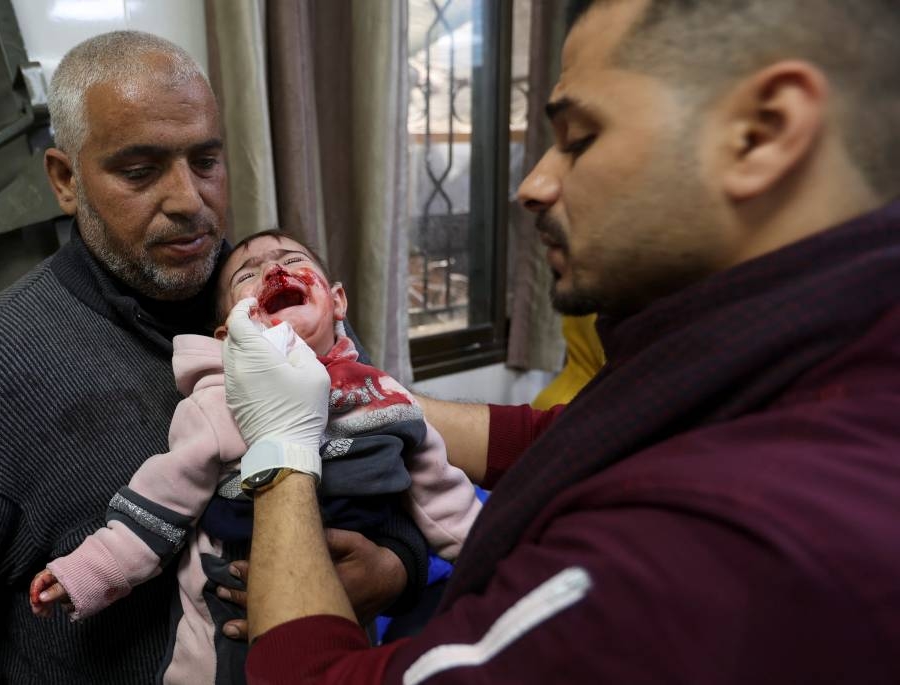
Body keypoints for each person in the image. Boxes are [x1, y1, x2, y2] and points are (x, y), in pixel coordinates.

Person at [221, 0, 900, 682]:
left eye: (579, 138)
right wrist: (359, 393)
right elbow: (561, 439)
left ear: (763, 131)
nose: (534, 184)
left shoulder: (710, 542)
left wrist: (281, 442)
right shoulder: (792, 348)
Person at [0, 31, 426, 684]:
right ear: (66, 180)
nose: (188, 200)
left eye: (206, 160)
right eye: (141, 171)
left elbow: (403, 468)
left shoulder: (288, 305)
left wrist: (395, 567)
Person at [28, 230, 480, 684]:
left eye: (291, 259)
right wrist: (87, 573)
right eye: (248, 274)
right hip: (225, 610)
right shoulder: (218, 404)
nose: (272, 270)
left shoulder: (383, 395)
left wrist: (489, 552)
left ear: (338, 302)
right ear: (228, 335)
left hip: (339, 605)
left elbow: (440, 493)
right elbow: (159, 503)